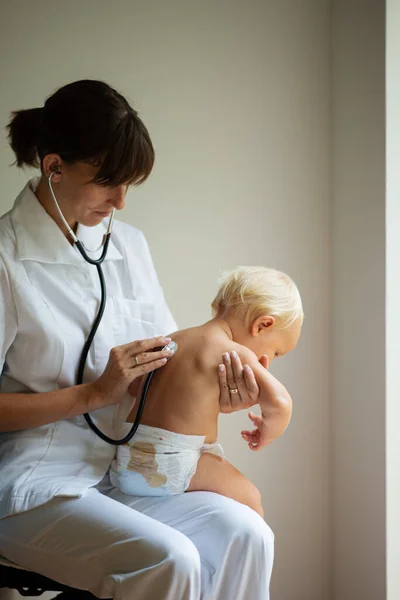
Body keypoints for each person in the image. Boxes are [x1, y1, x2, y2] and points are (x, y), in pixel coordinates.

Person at [0, 80, 276, 600]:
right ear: (53, 165)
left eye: (129, 184)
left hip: (127, 472)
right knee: (169, 560)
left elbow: (160, 368)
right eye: (107, 181)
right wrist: (91, 394)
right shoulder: (4, 259)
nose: (121, 201)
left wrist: (213, 391)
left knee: (248, 534)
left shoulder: (128, 247)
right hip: (36, 483)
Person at [112, 266, 303, 517]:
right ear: (262, 325)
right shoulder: (232, 351)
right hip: (173, 463)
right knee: (252, 499)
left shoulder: (172, 340)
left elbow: (136, 387)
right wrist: (266, 432)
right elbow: (280, 403)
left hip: (127, 460)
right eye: (276, 352)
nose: (271, 359)